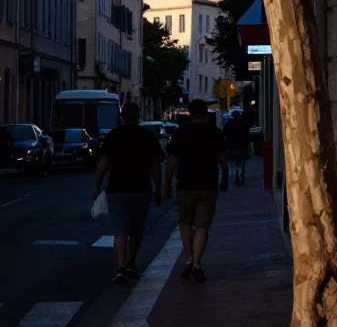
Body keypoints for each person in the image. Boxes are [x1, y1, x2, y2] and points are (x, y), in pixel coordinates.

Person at [92, 102, 164, 284]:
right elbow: (156, 165)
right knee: (137, 229)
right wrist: (158, 188)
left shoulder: (113, 135)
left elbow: (103, 163)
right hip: (141, 188)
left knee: (120, 230)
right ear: (138, 117)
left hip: (117, 189)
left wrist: (96, 185)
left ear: (122, 117)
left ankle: (121, 266)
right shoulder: (148, 136)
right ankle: (132, 262)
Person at [165, 98, 229, 283]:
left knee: (185, 223)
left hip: (185, 184)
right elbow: (223, 159)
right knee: (202, 226)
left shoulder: (180, 133)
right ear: (206, 114)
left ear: (190, 114)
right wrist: (225, 179)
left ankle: (189, 259)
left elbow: (171, 162)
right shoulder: (215, 133)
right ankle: (197, 263)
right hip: (208, 184)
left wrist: (167, 184)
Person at [223, 109, 251, 187]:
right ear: (239, 115)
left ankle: (235, 171)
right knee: (242, 161)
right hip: (242, 146)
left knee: (232, 162)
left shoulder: (228, 123)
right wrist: (249, 147)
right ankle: (241, 172)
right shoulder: (243, 123)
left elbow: (224, 134)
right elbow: (248, 136)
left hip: (231, 147)